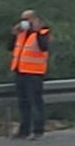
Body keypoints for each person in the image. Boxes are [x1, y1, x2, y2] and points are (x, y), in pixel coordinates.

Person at [9, 9, 50, 139]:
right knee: (23, 103)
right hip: (20, 71)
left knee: (35, 102)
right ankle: (24, 130)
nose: (24, 22)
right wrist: (13, 33)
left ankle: (38, 130)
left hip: (34, 73)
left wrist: (37, 31)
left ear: (34, 19)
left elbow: (44, 47)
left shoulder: (43, 32)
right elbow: (10, 47)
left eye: (27, 19)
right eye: (23, 19)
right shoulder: (21, 33)